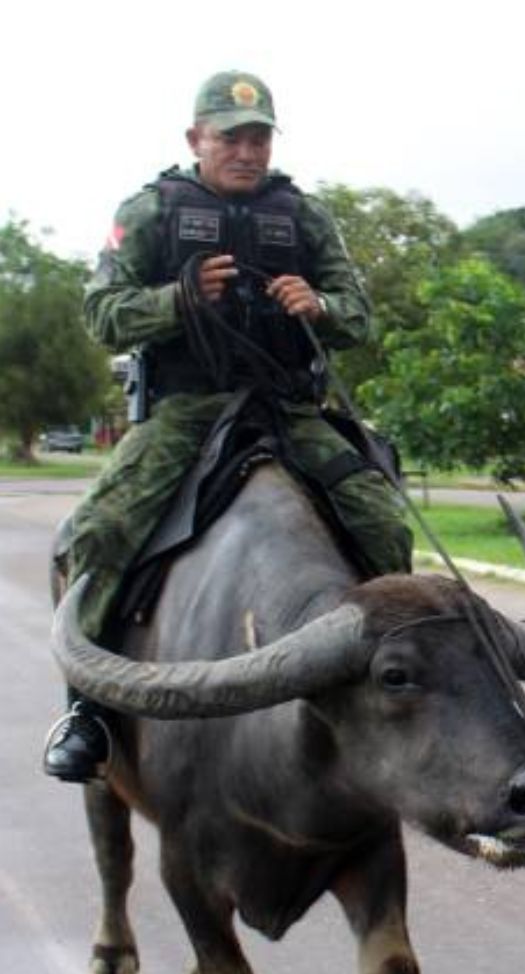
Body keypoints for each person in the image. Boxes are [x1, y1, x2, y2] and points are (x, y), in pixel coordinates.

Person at [42, 70, 413, 784]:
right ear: (196, 139)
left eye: (258, 138)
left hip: (286, 408)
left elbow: (358, 315)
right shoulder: (150, 211)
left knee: (383, 522)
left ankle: (390, 680)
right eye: (230, 138)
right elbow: (100, 313)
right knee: (92, 537)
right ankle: (86, 709)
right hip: (189, 411)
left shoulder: (303, 215)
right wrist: (176, 300)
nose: (246, 151)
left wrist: (320, 307)